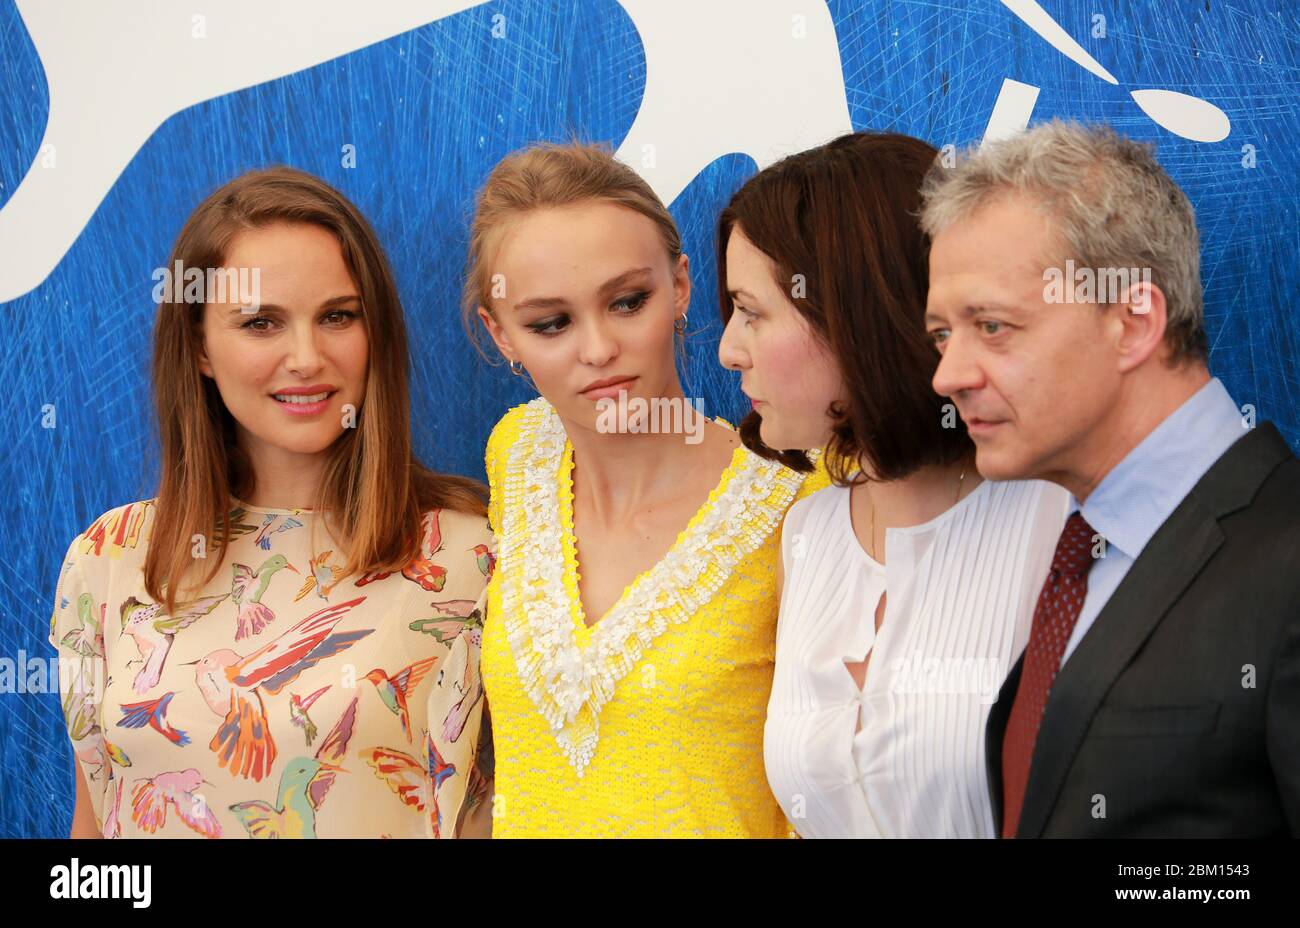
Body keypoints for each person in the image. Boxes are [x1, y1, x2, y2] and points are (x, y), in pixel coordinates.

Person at [48, 167, 493, 838]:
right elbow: (95, 828)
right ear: (199, 345)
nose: (307, 357)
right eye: (262, 323)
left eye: (338, 316)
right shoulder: (111, 557)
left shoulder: (473, 555)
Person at [921, 119, 1300, 837]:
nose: (948, 375)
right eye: (943, 335)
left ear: (1131, 323)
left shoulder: (1285, 557)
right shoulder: (1077, 556)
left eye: (992, 326)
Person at [464, 141, 827, 837]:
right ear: (500, 331)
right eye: (551, 323)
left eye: (628, 302)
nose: (598, 348)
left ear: (682, 284)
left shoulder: (798, 501)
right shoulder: (517, 453)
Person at [719, 131, 1068, 838]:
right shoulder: (808, 536)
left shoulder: (1060, 525)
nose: (728, 349)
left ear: (857, 317)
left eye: (752, 312)